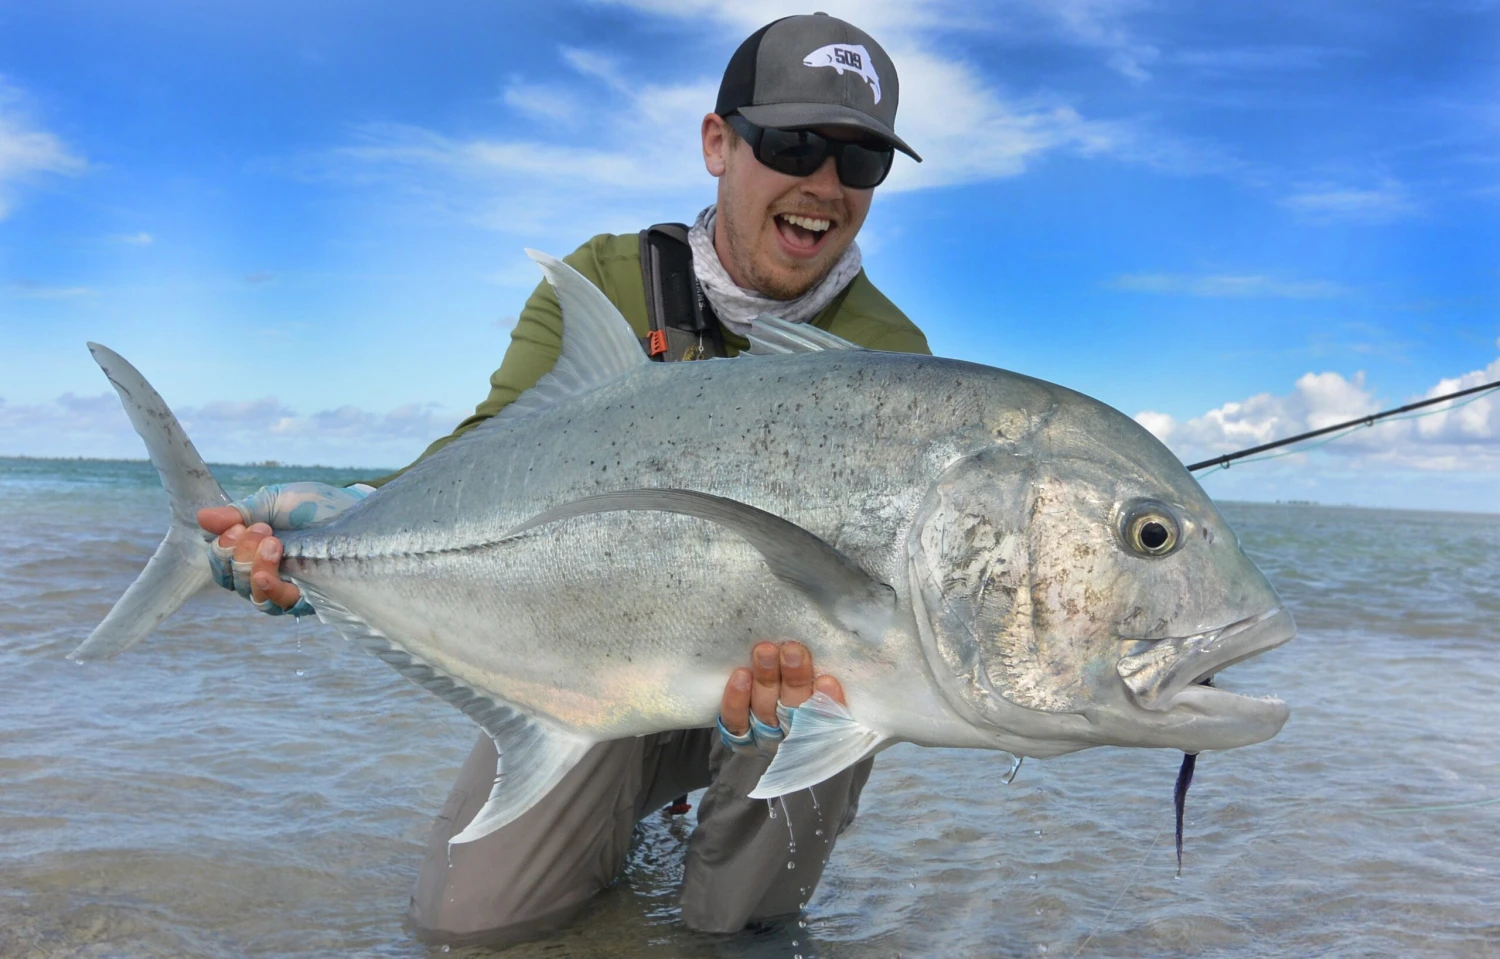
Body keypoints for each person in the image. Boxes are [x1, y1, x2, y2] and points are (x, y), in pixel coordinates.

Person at [198, 13, 930, 947]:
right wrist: (339, 521)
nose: (823, 185)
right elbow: (491, 448)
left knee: (802, 775)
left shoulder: (888, 358)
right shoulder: (609, 279)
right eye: (792, 143)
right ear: (718, 142)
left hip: (775, 682)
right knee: (469, 925)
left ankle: (736, 923)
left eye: (859, 162)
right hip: (591, 650)